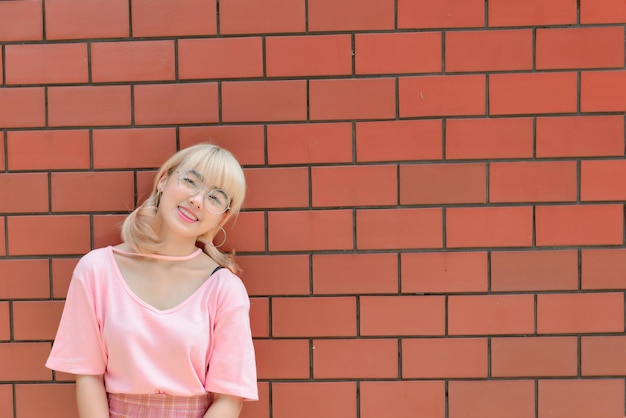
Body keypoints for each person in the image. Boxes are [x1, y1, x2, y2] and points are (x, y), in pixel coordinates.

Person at [46, 143, 258, 418]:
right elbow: (87, 376)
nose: (197, 200)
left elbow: (230, 398)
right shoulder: (97, 270)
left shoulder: (224, 288)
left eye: (215, 198)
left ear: (223, 217)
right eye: (191, 181)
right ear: (164, 180)